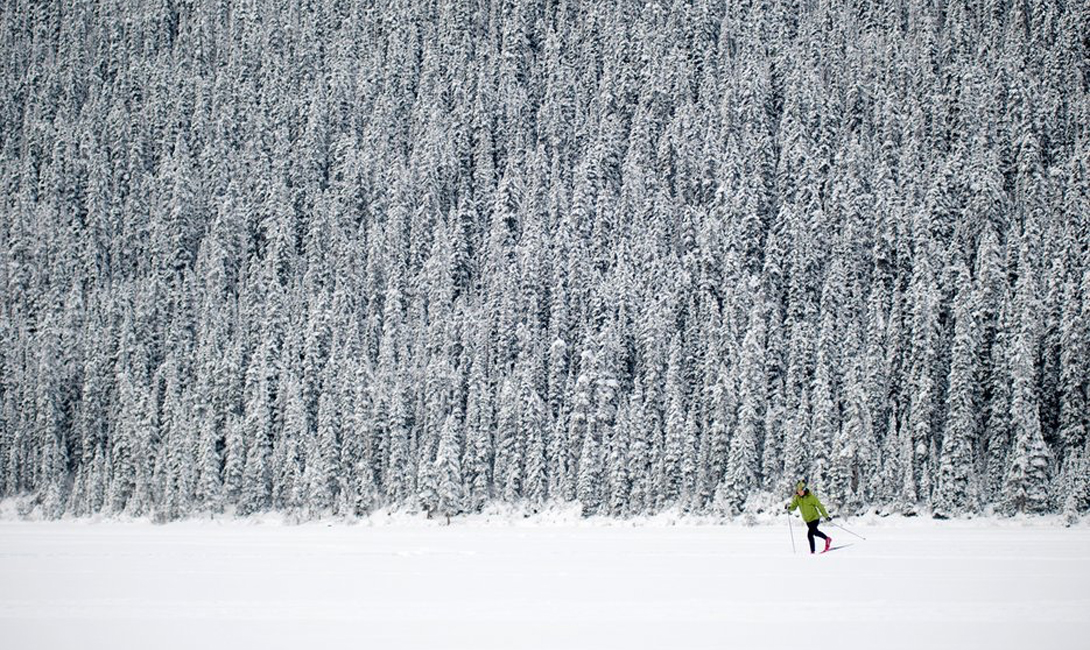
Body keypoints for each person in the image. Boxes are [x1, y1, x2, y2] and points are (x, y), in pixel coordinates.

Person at [786, 480, 833, 554]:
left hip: (815, 518)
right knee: (815, 533)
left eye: (801, 491)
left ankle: (812, 552)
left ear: (804, 490)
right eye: (798, 491)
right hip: (807, 520)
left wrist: (826, 516)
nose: (799, 492)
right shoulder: (797, 498)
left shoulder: (811, 497)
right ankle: (827, 539)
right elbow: (793, 507)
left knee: (809, 535)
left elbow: (820, 506)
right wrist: (788, 507)